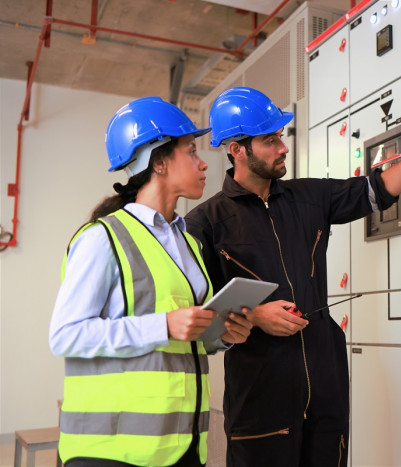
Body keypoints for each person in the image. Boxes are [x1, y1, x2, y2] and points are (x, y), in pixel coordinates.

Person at [185, 86, 401, 467]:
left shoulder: (309, 197)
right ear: (237, 149)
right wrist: (256, 316)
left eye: (281, 137)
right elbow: (200, 317)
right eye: (270, 140)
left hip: (324, 378)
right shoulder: (204, 224)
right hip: (260, 395)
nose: (283, 147)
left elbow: (380, 190)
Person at [49, 96, 253, 467]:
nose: (204, 161)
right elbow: (66, 335)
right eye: (191, 151)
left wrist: (221, 335)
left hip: (180, 446)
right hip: (111, 452)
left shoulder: (187, 241)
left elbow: (182, 338)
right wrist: (164, 325)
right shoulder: (101, 238)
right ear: (159, 161)